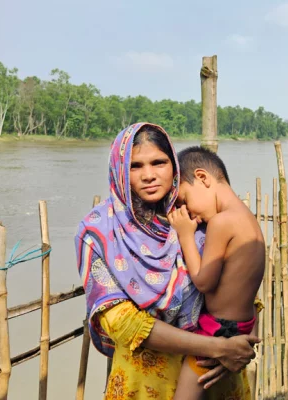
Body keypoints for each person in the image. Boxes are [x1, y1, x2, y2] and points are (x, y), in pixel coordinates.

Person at [75, 123, 260, 400]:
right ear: (119, 169)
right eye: (135, 166)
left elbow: (242, 292)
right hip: (147, 385)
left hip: (215, 375)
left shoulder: (197, 217)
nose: (149, 175)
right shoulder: (99, 232)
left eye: (159, 162)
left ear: (173, 165)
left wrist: (240, 346)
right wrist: (219, 349)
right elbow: (123, 322)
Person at [169, 146, 266, 400]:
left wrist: (186, 235)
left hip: (218, 330)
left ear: (202, 178)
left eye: (184, 200)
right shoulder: (248, 218)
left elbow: (203, 281)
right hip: (241, 326)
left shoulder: (222, 222)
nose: (189, 214)